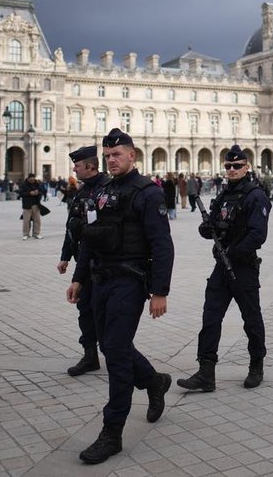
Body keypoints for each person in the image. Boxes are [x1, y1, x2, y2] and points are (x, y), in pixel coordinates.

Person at [67, 128, 174, 465]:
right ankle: (154, 382)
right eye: (108, 155)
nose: (111, 160)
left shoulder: (148, 193)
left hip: (130, 282)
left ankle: (112, 432)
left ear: (133, 156)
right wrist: (79, 278)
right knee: (112, 345)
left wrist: (160, 291)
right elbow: (89, 239)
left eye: (118, 155)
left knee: (114, 354)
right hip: (100, 279)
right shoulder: (102, 192)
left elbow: (162, 246)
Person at [178, 144, 271, 393]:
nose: (231, 170)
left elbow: (258, 235)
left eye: (237, 166)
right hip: (222, 266)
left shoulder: (255, 195)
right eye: (228, 166)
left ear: (246, 167)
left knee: (251, 319)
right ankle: (206, 372)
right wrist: (207, 230)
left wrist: (233, 250)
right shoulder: (223, 195)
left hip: (243, 267)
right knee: (210, 317)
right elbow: (210, 225)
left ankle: (256, 365)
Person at [58, 146, 106, 377]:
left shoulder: (106, 189)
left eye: (77, 166)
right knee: (84, 309)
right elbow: (72, 227)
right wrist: (65, 257)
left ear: (89, 166)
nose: (74, 169)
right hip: (83, 261)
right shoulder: (81, 191)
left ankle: (115, 353)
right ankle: (90, 355)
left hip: (103, 262)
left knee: (102, 310)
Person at [18, 174, 45, 240]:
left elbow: (42, 191)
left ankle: (36, 233)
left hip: (36, 204)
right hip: (27, 205)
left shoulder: (37, 184)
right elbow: (21, 193)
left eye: (33, 179)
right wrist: (29, 193)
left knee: (37, 220)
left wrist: (37, 192)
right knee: (26, 221)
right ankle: (25, 234)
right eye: (31, 179)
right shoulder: (24, 185)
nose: (32, 180)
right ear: (28, 178)